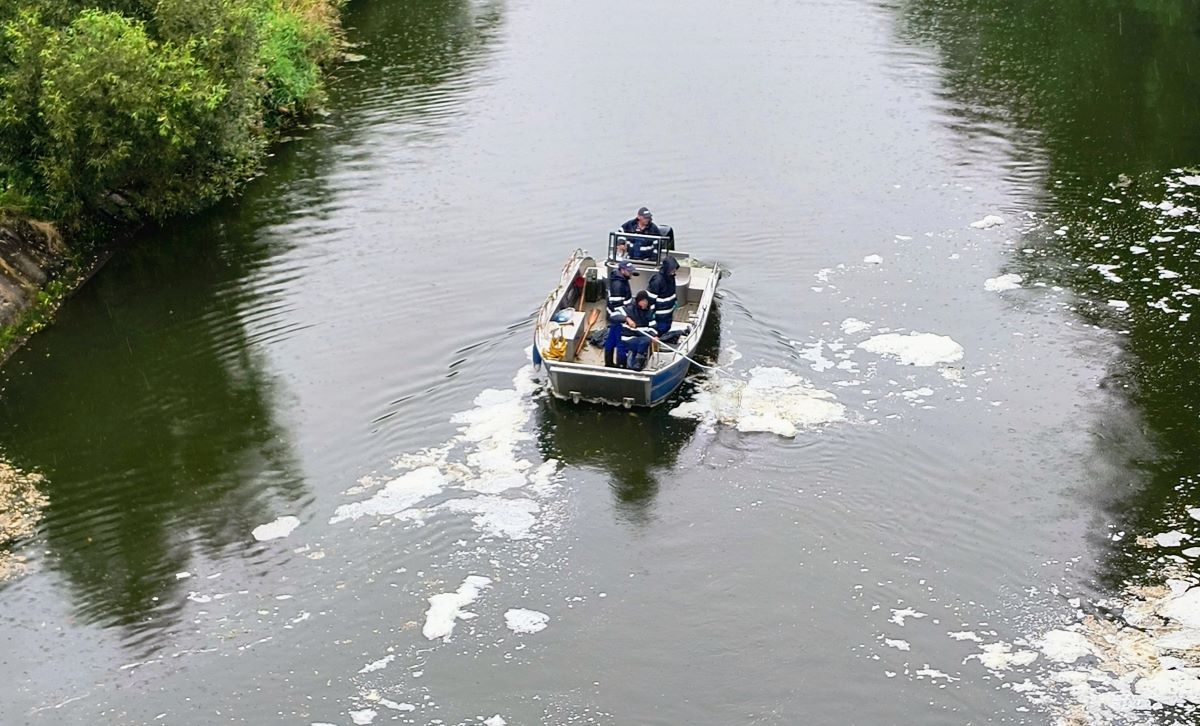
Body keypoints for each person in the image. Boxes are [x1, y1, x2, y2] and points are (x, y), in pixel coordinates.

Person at [604, 261, 639, 368]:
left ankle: (608, 363)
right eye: (629, 271)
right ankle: (621, 365)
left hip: (614, 317)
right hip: (618, 317)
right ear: (622, 270)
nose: (631, 273)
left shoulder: (620, 279)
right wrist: (627, 318)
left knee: (611, 339)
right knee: (621, 342)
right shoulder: (618, 285)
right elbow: (617, 306)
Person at [646, 256, 687, 345]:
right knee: (658, 334)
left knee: (666, 329)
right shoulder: (657, 280)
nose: (674, 271)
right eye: (672, 269)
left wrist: (675, 301)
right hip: (659, 316)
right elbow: (650, 300)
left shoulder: (671, 278)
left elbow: (673, 292)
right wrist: (651, 314)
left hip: (668, 314)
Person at [619, 290, 659, 371]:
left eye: (646, 301)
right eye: (643, 301)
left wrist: (654, 336)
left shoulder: (649, 312)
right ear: (638, 301)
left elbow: (653, 326)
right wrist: (627, 319)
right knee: (646, 340)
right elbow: (614, 315)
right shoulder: (629, 309)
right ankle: (637, 363)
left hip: (640, 338)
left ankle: (638, 361)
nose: (645, 303)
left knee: (646, 340)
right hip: (628, 338)